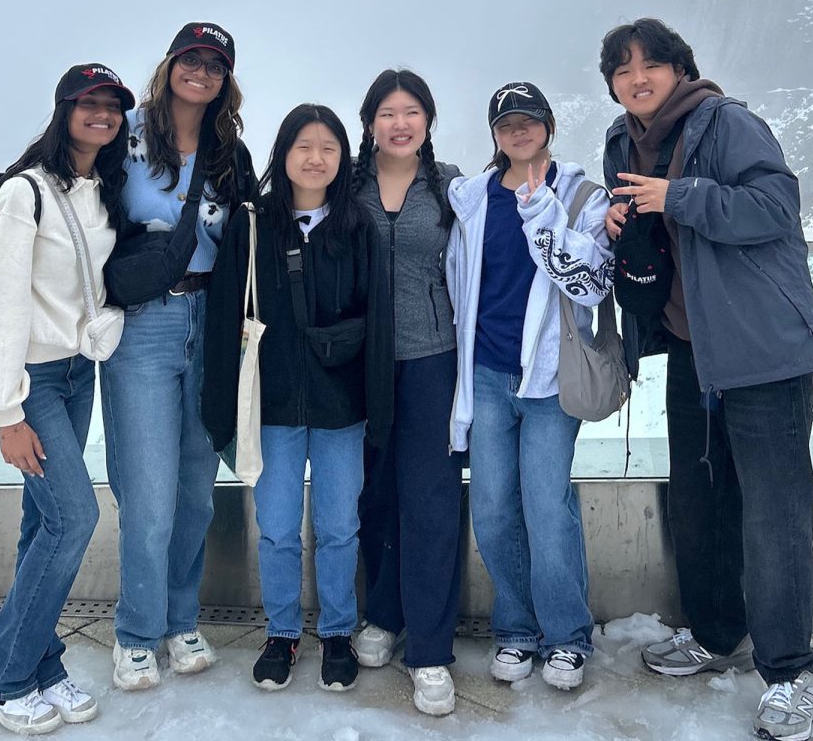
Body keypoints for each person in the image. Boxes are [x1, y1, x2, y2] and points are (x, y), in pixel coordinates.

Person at [599, 18, 813, 741]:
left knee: (773, 516)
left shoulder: (725, 122)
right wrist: (620, 222)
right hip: (692, 352)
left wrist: (680, 196)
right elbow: (651, 239)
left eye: (651, 66)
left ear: (679, 68)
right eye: (622, 69)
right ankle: (715, 632)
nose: (638, 78)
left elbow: (774, 206)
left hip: (763, 354)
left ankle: (790, 671)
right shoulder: (619, 141)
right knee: (697, 502)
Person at [0, 63, 135, 734]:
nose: (101, 114)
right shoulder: (23, 195)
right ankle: (1, 672)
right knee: (73, 519)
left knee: (42, 524)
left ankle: (42, 664)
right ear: (63, 110)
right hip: (34, 382)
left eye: (112, 105)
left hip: (77, 372)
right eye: (88, 103)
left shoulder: (104, 189)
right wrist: (6, 412)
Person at [202, 104, 393, 692]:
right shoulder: (252, 224)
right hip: (273, 408)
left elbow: (379, 324)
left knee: (340, 528)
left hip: (342, 408)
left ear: (344, 158)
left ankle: (336, 630)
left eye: (329, 148)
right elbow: (222, 317)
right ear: (283, 153)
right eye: (304, 146)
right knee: (278, 528)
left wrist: (379, 410)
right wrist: (219, 413)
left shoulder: (359, 226)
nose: (316, 159)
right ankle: (282, 630)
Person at [101, 22, 256, 691]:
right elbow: (70, 181)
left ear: (226, 80)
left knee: (195, 489)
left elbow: (251, 229)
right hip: (143, 321)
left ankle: (178, 619)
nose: (201, 73)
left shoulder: (230, 149)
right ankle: (136, 633)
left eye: (214, 65)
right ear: (169, 65)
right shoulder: (125, 134)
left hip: (209, 321)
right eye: (191, 60)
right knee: (150, 493)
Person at [445, 82, 612, 691]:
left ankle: (566, 636)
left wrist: (544, 218)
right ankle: (515, 629)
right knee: (491, 509)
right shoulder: (470, 199)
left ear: (548, 127)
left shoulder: (581, 195)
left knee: (547, 507)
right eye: (507, 123)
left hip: (547, 380)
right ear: (494, 134)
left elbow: (590, 283)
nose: (519, 131)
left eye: (529, 120)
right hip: (486, 375)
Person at [350, 69, 464, 716]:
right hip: (361, 366)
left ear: (427, 119)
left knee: (431, 499)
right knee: (371, 495)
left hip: (433, 360)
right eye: (387, 112)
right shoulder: (349, 184)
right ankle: (384, 617)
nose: (400, 122)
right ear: (369, 122)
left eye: (411, 111)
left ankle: (429, 649)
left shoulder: (449, 185)